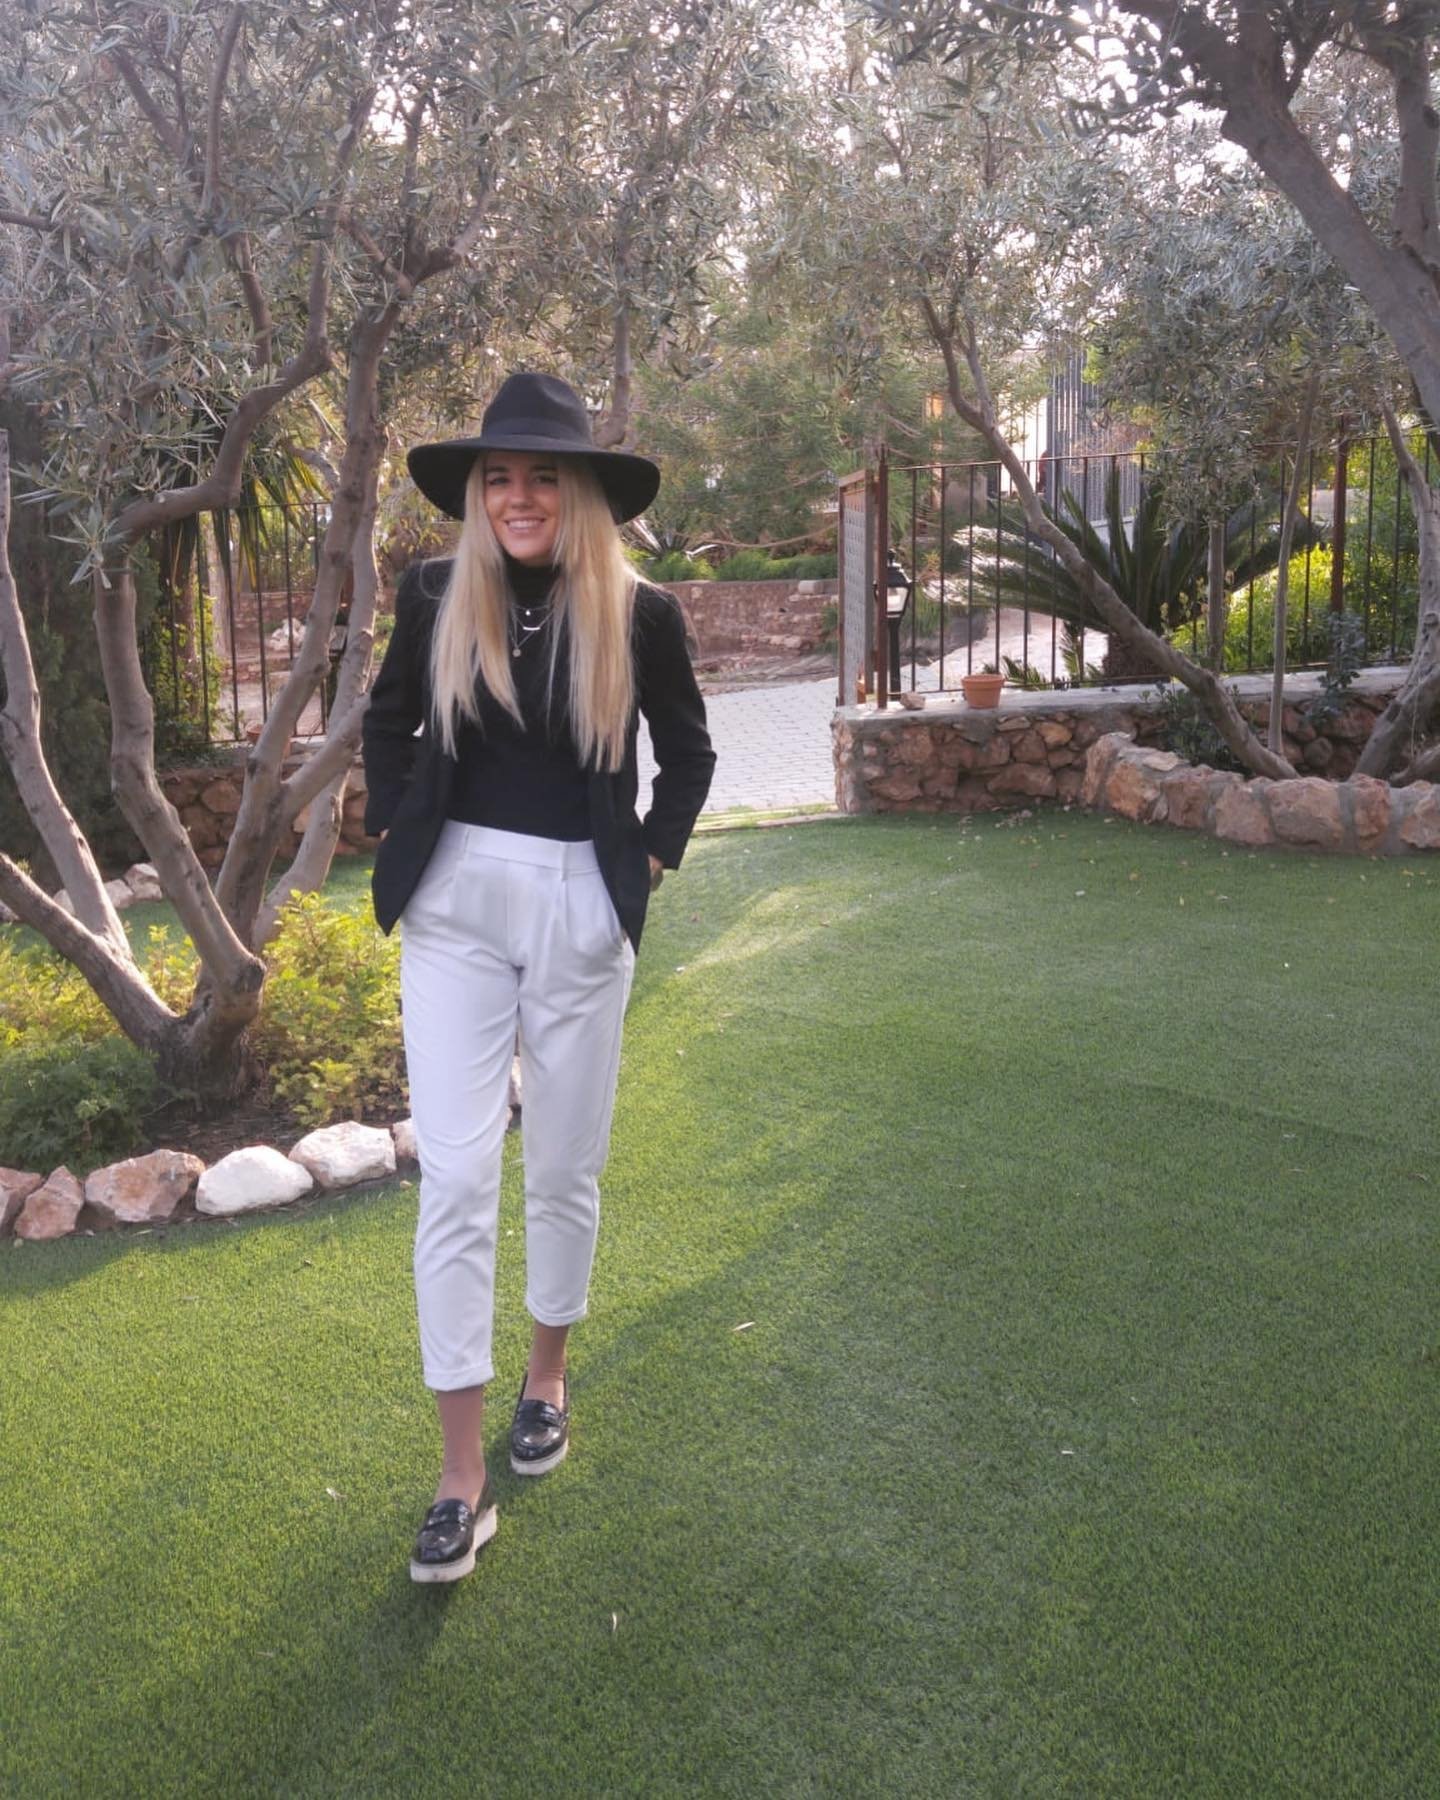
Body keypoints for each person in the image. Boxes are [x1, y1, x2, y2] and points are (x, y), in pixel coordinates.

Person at [361, 372, 715, 1583]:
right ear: (478, 494)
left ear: (580, 493)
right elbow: (388, 723)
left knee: (564, 1164)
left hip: (579, 900)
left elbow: (691, 752)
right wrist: (397, 822)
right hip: (454, 902)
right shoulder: (432, 593)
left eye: (543, 477)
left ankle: (547, 1378)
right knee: (457, 1177)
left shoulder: (642, 612)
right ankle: (460, 1479)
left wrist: (645, 860)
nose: (519, 497)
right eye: (499, 477)